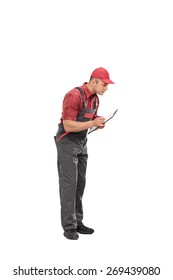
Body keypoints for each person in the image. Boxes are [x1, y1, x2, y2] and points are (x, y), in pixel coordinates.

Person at [54, 67, 115, 240]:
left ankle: (77, 222)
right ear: (94, 81)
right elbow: (68, 125)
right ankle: (68, 227)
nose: (106, 88)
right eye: (104, 84)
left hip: (81, 143)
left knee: (80, 184)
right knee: (69, 185)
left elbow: (88, 121)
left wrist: (98, 123)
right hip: (66, 143)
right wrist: (92, 124)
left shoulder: (95, 99)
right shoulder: (73, 96)